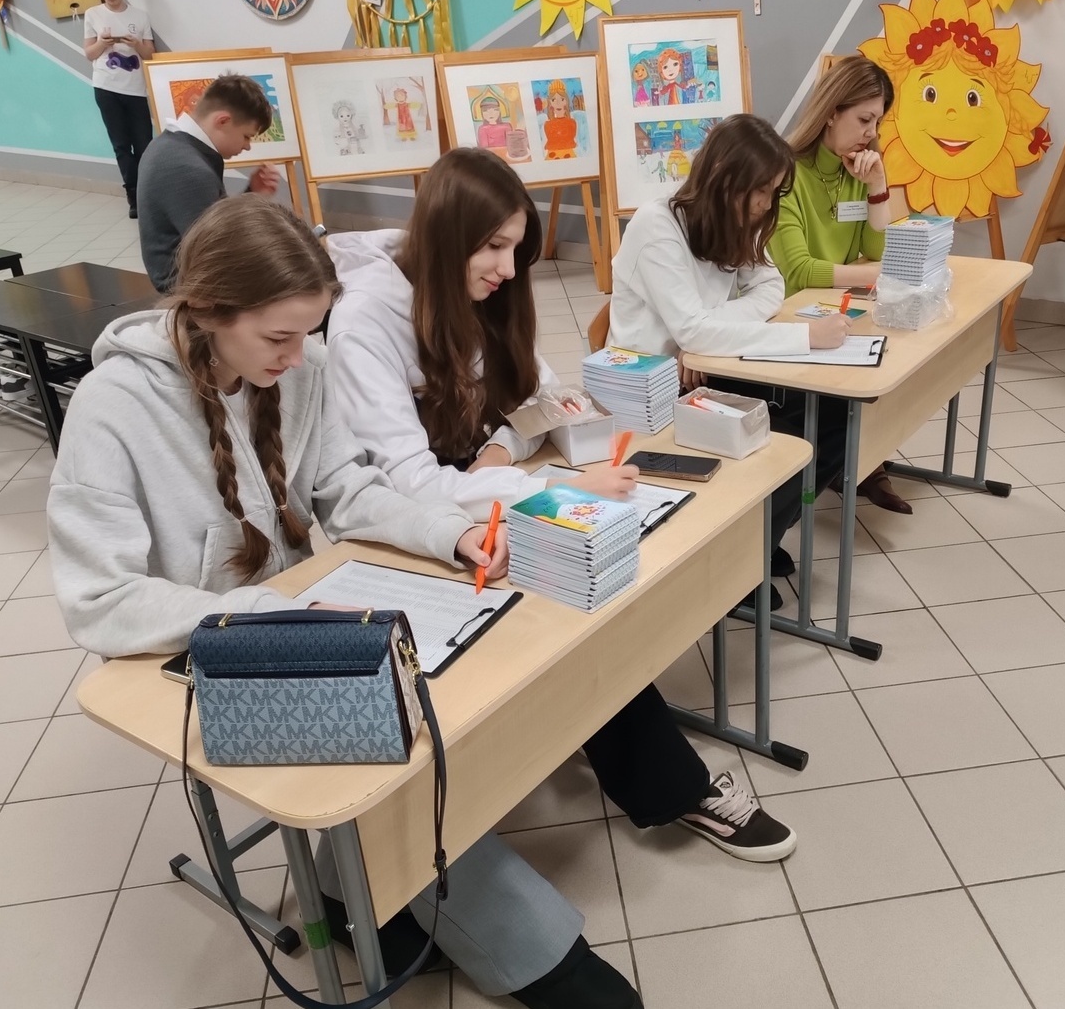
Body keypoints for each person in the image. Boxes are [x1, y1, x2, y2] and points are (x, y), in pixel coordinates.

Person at [47, 195, 640, 1009]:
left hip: (305, 615)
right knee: (405, 769)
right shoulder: (113, 407)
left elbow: (347, 492)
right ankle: (547, 959)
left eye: (306, 333)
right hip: (205, 650)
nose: (297, 357)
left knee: (469, 688)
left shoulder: (304, 368)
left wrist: (450, 534)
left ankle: (367, 900)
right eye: (278, 338)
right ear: (210, 311)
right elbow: (98, 600)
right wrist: (269, 616)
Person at [324, 147, 798, 865]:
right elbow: (410, 485)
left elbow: (543, 396)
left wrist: (503, 448)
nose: (507, 270)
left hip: (478, 501)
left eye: (516, 250)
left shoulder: (476, 290)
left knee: (596, 578)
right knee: (575, 596)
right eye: (493, 247)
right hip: (413, 532)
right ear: (449, 236)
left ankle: (618, 743)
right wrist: (557, 490)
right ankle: (677, 788)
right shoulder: (367, 321)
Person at [608, 113, 852, 604]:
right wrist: (802, 337)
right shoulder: (658, 225)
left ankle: (760, 539)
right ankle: (740, 564)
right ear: (723, 177)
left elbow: (770, 287)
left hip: (706, 369)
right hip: (652, 394)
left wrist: (705, 335)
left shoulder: (736, 218)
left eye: (772, 192)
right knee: (786, 435)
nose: (764, 204)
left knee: (833, 414)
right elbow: (693, 329)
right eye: (758, 190)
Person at [771, 55, 913, 515]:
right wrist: (875, 276)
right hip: (789, 316)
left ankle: (863, 461)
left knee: (898, 357)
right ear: (831, 112)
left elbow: (877, 248)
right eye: (864, 119)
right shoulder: (786, 172)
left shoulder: (858, 168)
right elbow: (798, 271)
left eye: (877, 122)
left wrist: (877, 184)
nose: (871, 132)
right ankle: (849, 466)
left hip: (836, 308)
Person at [136, 74, 283, 293]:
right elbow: (223, 250)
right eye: (246, 136)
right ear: (223, 121)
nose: (247, 146)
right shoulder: (189, 170)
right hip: (194, 290)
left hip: (193, 278)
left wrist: (252, 194)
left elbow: (217, 223)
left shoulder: (169, 144)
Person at [83, 0, 154, 219]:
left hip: (135, 89)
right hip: (106, 87)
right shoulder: (93, 14)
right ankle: (133, 197)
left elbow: (150, 55)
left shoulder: (140, 16)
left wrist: (136, 44)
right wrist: (102, 43)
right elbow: (89, 53)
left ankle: (148, 194)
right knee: (121, 146)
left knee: (144, 144)